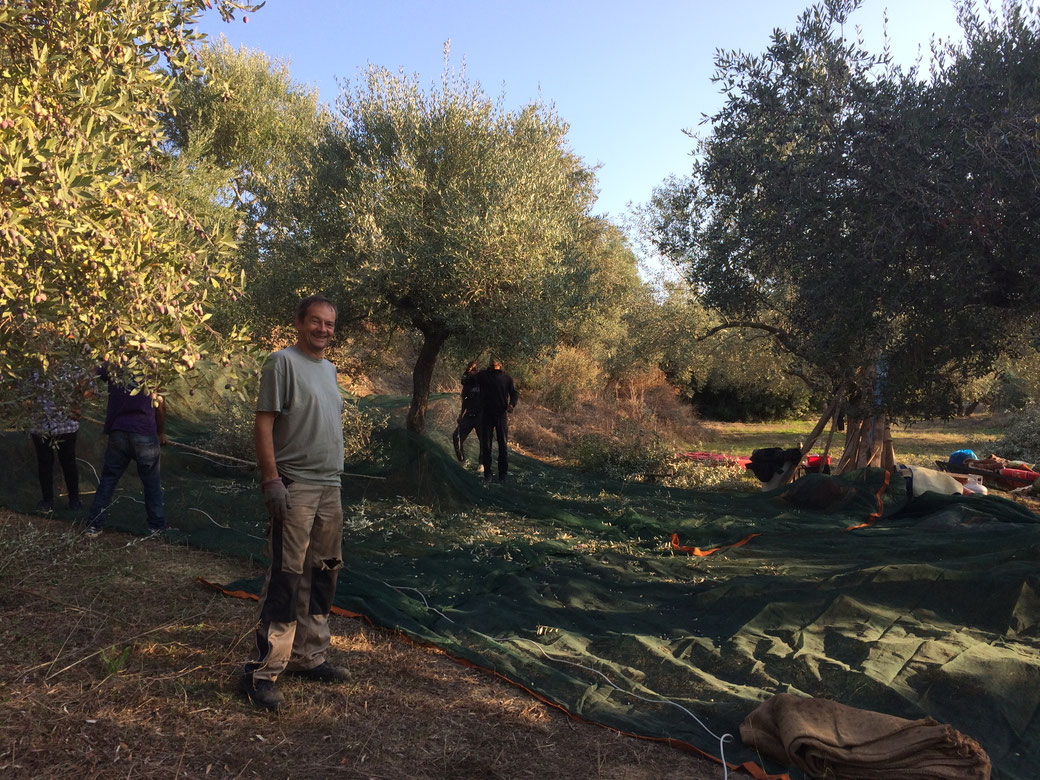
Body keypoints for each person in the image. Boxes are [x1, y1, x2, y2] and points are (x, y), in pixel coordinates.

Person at [241, 294, 350, 712]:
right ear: (300, 322)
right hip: (296, 485)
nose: (323, 330)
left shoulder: (330, 370)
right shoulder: (281, 363)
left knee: (323, 572)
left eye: (329, 324)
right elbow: (265, 421)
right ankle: (263, 672)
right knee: (287, 576)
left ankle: (310, 656)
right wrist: (271, 479)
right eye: (316, 322)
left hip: (329, 487)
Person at [86, 366, 168, 537]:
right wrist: (160, 432)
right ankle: (157, 526)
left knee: (108, 480)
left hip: (119, 431)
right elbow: (159, 405)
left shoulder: (115, 364)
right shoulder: (153, 368)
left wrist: (76, 402)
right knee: (152, 482)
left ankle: (94, 524)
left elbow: (86, 374)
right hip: (144, 432)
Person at [26, 364, 91, 513]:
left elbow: (90, 387)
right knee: (44, 462)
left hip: (65, 423)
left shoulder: (72, 365)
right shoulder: (33, 367)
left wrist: (77, 402)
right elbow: (24, 393)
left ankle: (74, 500)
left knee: (68, 461)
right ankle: (47, 501)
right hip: (40, 424)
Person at [477, 359, 518, 484]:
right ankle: (487, 474)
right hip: (487, 415)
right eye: (492, 361)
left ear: (500, 363)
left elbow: (514, 393)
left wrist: (512, 404)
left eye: (496, 361)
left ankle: (503, 475)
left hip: (501, 415)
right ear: (490, 363)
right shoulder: (483, 375)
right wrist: (470, 368)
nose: (494, 363)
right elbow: (467, 380)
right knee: (486, 446)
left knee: (503, 446)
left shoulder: (507, 378)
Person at [452, 360, 482, 463]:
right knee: (456, 437)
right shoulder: (467, 384)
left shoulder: (482, 382)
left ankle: (482, 464)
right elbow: (465, 401)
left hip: (481, 416)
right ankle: (462, 461)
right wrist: (461, 414)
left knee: (484, 441)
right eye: (469, 371)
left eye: (473, 371)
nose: (471, 374)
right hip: (469, 415)